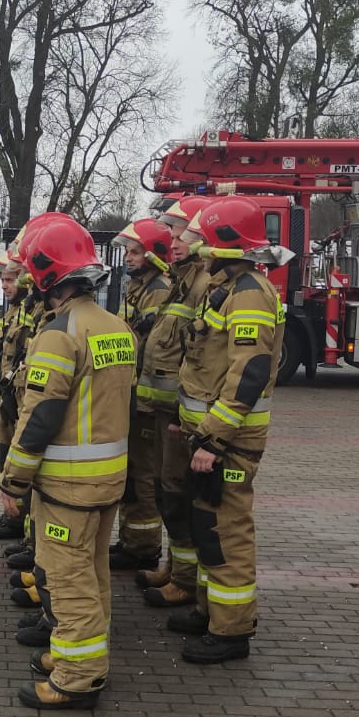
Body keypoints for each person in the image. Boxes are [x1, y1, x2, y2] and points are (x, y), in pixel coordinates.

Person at [0, 214, 135, 709]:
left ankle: (78, 678)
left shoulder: (59, 334)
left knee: (68, 580)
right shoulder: (116, 326)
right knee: (93, 573)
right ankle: (77, 655)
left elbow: (41, 416)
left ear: (45, 277)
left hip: (68, 487)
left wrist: (13, 479)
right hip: (107, 481)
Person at [165, 196, 285, 664]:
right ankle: (209, 611)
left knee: (226, 533)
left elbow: (248, 373)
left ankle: (232, 632)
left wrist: (214, 438)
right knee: (206, 526)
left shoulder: (249, 293)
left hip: (228, 442)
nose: (195, 246)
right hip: (208, 435)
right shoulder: (228, 286)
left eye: (203, 239)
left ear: (225, 244)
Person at [141, 196, 212, 608]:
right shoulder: (183, 280)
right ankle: (177, 567)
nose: (172, 240)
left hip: (182, 415)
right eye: (171, 232)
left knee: (177, 492)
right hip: (168, 410)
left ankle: (185, 579)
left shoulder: (202, 284)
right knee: (166, 490)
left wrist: (182, 416)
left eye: (181, 232)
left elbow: (197, 357)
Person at [107, 218, 172, 572]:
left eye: (135, 252)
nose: (129, 258)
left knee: (142, 475)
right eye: (128, 252)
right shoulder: (138, 287)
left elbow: (147, 345)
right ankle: (131, 539)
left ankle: (144, 547)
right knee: (131, 471)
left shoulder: (158, 289)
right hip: (134, 395)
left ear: (154, 254)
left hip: (147, 402)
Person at [0, 248, 30, 541]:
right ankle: (15, 516)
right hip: (6, 396)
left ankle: (22, 523)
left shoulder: (31, 311)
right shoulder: (14, 309)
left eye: (10, 279)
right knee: (5, 457)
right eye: (2, 280)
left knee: (18, 461)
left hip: (18, 399)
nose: (4, 285)